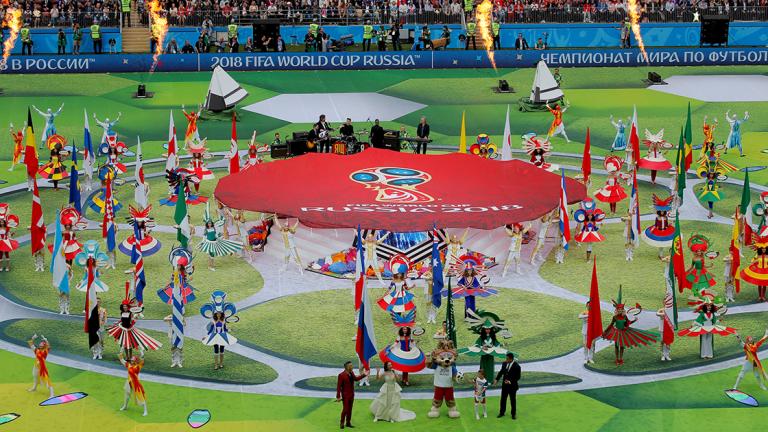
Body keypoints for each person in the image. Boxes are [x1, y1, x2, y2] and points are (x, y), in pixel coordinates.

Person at [336, 361, 367, 429]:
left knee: (350, 409)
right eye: (350, 366)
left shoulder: (351, 373)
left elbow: (356, 379)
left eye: (352, 365)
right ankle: (342, 423)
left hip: (351, 394)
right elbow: (339, 387)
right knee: (345, 409)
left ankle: (348, 423)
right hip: (345, 395)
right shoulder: (341, 375)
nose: (352, 367)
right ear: (347, 367)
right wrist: (338, 396)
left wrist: (364, 375)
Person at [493, 352, 521, 419]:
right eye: (506, 358)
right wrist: (496, 379)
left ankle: (513, 414)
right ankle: (502, 413)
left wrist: (510, 381)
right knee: (503, 399)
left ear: (511, 359)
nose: (506, 360)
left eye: (507, 358)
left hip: (512, 386)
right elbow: (501, 372)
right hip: (504, 386)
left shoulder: (517, 366)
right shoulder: (504, 363)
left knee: (512, 400)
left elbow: (518, 377)